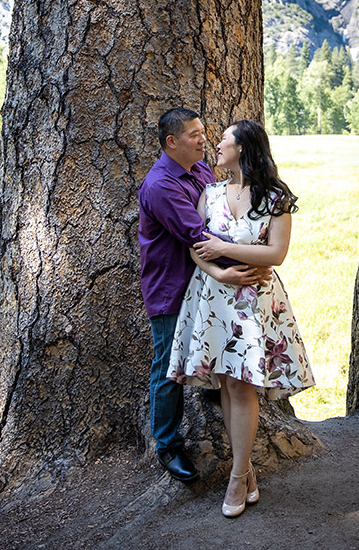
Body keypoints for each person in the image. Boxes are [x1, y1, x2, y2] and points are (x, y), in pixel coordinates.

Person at [167, 119, 315, 517]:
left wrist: (224, 247)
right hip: (214, 298)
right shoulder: (210, 193)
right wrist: (218, 267)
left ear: (244, 149)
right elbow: (198, 246)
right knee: (229, 388)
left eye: (224, 141)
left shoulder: (274, 197)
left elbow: (276, 254)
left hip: (254, 302)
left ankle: (237, 478)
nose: (217, 145)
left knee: (245, 388)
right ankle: (244, 470)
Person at [138, 108, 269, 484]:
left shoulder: (199, 170)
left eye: (204, 132)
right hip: (172, 286)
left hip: (209, 286)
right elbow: (200, 236)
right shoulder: (161, 185)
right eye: (194, 134)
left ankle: (224, 402)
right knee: (169, 366)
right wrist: (259, 254)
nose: (203, 139)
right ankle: (167, 445)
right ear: (171, 142)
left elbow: (219, 219)